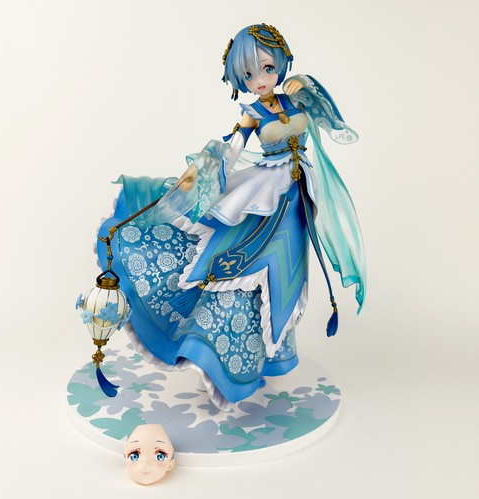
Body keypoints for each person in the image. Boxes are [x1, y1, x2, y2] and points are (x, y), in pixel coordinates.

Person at [97, 24, 365, 410]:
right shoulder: (252, 113)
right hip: (263, 195)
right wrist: (202, 177)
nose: (260, 80)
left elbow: (330, 119)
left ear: (281, 63)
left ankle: (265, 355)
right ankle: (217, 355)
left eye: (267, 68)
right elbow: (232, 150)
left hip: (296, 199)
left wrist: (305, 87)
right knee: (239, 270)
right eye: (249, 75)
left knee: (284, 278)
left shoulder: (297, 96)